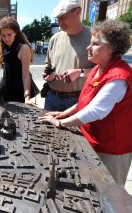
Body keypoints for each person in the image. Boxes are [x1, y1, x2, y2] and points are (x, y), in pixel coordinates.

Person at [39, 20, 132, 186]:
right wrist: (64, 113)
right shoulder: (98, 68)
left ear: (112, 47)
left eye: (95, 44)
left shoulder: (119, 76)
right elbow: (85, 100)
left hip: (111, 149)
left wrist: (60, 122)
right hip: (93, 140)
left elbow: (95, 111)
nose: (88, 48)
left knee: (111, 192)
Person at [43, 0, 95, 111]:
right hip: (51, 97)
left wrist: (80, 72)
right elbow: (48, 64)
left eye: (64, 17)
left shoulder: (94, 37)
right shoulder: (54, 38)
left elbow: (104, 72)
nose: (60, 23)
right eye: (58, 19)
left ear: (78, 12)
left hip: (77, 100)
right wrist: (48, 74)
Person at [0, 16, 35, 105]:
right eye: (3, 36)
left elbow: (26, 75)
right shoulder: (4, 46)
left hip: (18, 95)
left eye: (9, 34)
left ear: (15, 32)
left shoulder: (23, 48)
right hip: (4, 94)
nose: (6, 38)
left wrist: (27, 97)